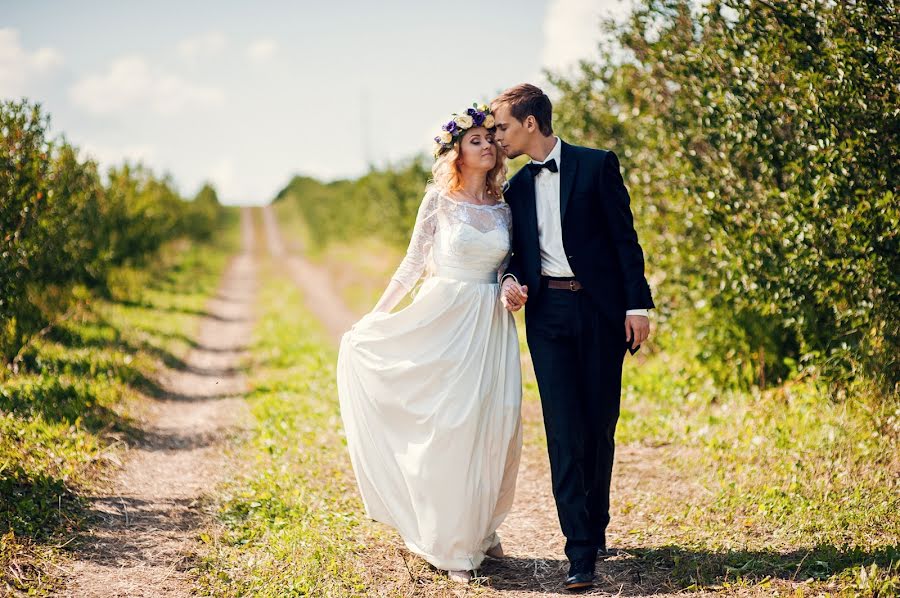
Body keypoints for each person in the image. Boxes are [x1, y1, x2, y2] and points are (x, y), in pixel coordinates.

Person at [336, 103, 522, 584]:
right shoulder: (439, 201)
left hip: (490, 325)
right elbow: (411, 265)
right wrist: (376, 317)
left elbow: (508, 264)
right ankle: (451, 543)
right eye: (475, 140)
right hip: (444, 317)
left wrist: (507, 283)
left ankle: (480, 529)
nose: (487, 145)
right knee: (450, 427)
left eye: (489, 139)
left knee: (492, 423)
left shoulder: (505, 205)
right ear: (456, 152)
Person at [492, 84, 654, 592]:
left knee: (599, 425)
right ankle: (579, 552)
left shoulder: (596, 164)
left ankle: (597, 524)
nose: (498, 137)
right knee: (563, 431)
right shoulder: (514, 189)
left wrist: (636, 305)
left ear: (531, 123)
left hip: (602, 313)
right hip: (549, 318)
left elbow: (625, 239)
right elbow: (515, 256)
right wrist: (510, 282)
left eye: (502, 127)